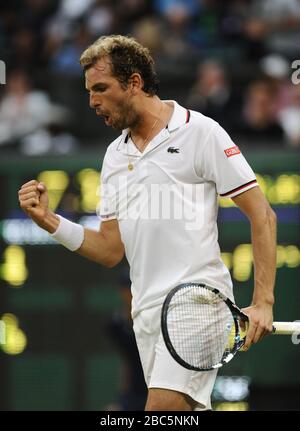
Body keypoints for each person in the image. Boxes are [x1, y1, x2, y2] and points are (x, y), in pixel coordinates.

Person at [18, 35, 277, 411]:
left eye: (101, 89)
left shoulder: (200, 131)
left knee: (158, 412)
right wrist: (51, 222)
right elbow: (109, 250)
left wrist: (263, 302)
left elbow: (262, 214)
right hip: (146, 316)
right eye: (89, 91)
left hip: (197, 303)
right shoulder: (112, 157)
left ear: (135, 82)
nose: (92, 102)